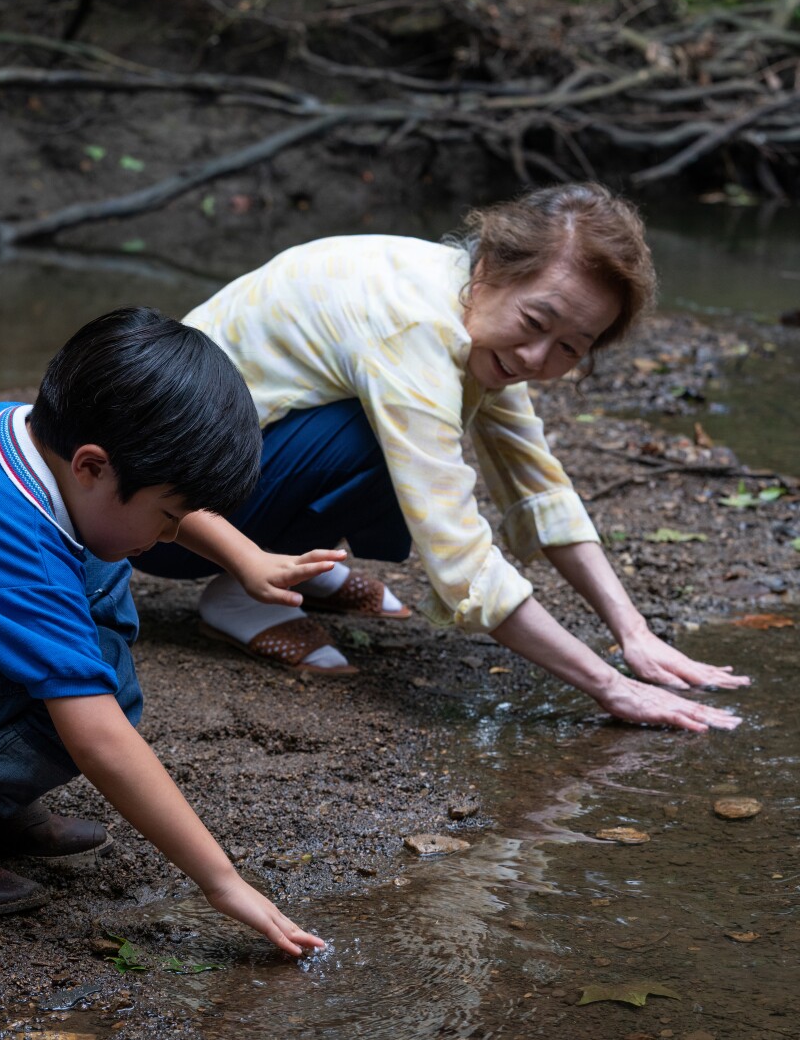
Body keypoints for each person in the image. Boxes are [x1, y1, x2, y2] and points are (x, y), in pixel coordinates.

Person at [133, 182, 747, 733]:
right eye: (536, 321)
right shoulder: (417, 330)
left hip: (219, 473)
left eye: (569, 347)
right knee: (385, 440)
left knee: (408, 427)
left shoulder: (468, 311)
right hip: (161, 521)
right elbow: (459, 556)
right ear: (489, 268)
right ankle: (244, 592)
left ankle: (298, 557)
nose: (537, 357)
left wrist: (633, 631)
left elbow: (536, 485)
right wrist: (612, 687)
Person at [0, 306, 335, 957]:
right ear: (90, 466)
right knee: (105, 683)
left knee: (100, 567)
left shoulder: (18, 435)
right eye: (168, 518)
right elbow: (102, 741)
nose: (173, 535)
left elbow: (151, 493)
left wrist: (247, 559)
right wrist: (223, 884)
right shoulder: (12, 544)